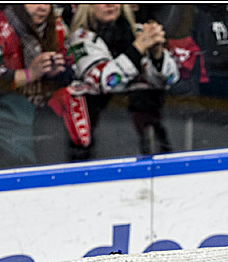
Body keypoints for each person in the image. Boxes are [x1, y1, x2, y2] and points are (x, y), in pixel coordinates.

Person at [65, 4, 180, 159]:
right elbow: (107, 81)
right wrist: (138, 48)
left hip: (141, 126)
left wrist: (157, 55)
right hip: (97, 130)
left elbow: (171, 78)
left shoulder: (138, 31)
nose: (110, 4)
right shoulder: (79, 39)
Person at [0, 3, 85, 167]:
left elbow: (72, 67)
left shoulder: (57, 24)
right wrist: (30, 74)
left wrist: (57, 72)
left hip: (46, 112)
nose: (42, 7)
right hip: (8, 115)